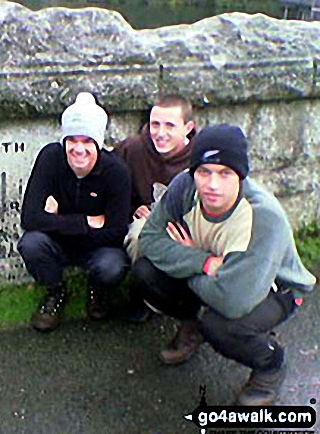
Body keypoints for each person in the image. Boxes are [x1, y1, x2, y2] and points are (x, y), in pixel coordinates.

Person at [133, 124, 316, 405]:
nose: (212, 184)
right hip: (215, 271)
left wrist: (190, 265)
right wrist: (203, 261)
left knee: (220, 324)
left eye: (225, 173)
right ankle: (193, 324)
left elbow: (234, 300)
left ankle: (271, 363)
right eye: (204, 172)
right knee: (147, 273)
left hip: (275, 288)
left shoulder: (262, 216)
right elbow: (150, 239)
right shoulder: (184, 186)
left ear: (241, 175)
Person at [18, 92, 131, 332]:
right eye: (72, 140)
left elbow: (117, 231)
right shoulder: (50, 158)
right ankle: (56, 291)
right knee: (31, 244)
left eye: (87, 141)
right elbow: (29, 217)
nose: (79, 149)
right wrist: (84, 223)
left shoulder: (116, 172)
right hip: (59, 243)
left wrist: (54, 219)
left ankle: (97, 290)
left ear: (98, 143)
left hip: (99, 248)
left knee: (113, 265)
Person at [115, 94, 196, 322]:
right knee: (138, 234)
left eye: (170, 125)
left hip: (185, 225)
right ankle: (141, 294)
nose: (160, 133)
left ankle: (185, 303)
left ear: (188, 127)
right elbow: (113, 185)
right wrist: (133, 208)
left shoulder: (200, 157)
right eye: (155, 124)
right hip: (147, 221)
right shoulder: (133, 149)